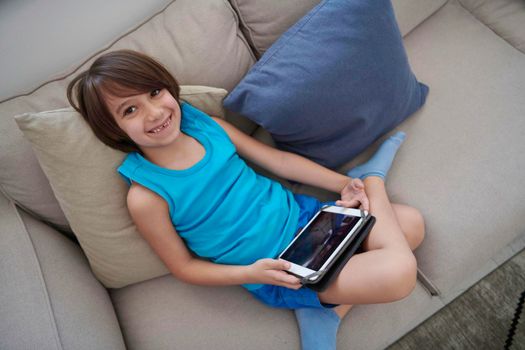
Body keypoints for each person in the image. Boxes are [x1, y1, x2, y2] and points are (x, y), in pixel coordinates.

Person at [67, 49, 425, 350]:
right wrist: (251, 273)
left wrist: (344, 184)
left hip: (309, 222)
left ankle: (325, 306)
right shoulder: (145, 196)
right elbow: (184, 268)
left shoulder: (206, 125)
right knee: (398, 272)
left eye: (155, 93)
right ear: (113, 129)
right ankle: (373, 180)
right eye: (130, 110)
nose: (155, 113)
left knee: (412, 224)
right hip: (279, 269)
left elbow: (278, 161)